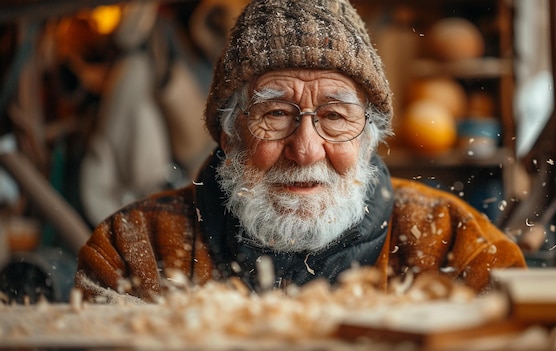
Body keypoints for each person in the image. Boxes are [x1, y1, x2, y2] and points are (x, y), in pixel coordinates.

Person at [74, 0, 526, 303]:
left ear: (370, 135)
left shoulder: (457, 249)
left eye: (334, 116)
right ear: (228, 133)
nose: (306, 150)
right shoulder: (135, 252)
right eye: (274, 114)